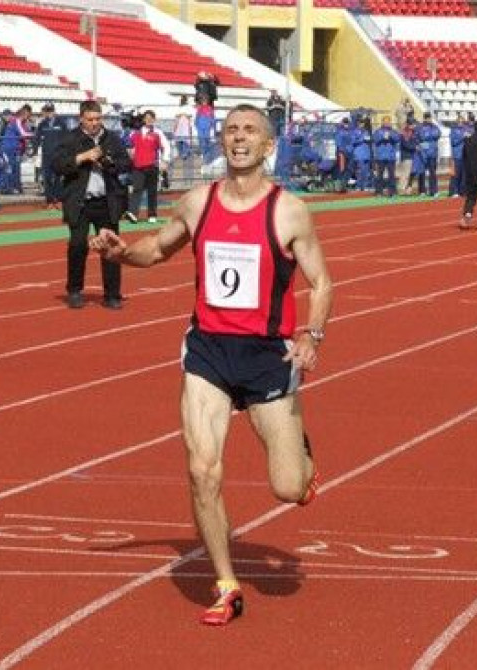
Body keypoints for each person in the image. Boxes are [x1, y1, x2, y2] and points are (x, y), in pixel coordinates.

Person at [89, 103, 333, 625]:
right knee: (202, 470)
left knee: (288, 488)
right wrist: (120, 253)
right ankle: (226, 584)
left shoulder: (288, 210)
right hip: (208, 352)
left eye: (250, 131)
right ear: (222, 143)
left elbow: (323, 281)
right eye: (231, 131)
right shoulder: (199, 202)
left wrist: (311, 334)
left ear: (269, 147)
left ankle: (303, 458)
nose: (238, 138)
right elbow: (157, 249)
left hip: (268, 355)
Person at [53, 99, 132, 309]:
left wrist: (109, 162)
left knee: (110, 248)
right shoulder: (70, 139)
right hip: (80, 202)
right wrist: (82, 157)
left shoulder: (111, 139)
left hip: (107, 202)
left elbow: (126, 164)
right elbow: (57, 165)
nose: (95, 123)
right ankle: (74, 290)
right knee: (78, 246)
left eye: (98, 119)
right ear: (81, 119)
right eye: (90, 119)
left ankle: (112, 294)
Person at [128, 110, 171, 224]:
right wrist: (130, 153)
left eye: (151, 118)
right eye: (146, 118)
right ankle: (133, 213)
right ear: (143, 119)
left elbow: (166, 146)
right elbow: (130, 146)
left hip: (152, 165)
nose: (149, 120)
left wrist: (165, 160)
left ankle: (152, 214)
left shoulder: (158, 133)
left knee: (152, 191)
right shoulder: (136, 132)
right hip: (138, 166)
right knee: (137, 189)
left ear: (154, 119)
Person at [34, 102, 67, 209]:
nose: (48, 113)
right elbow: (37, 139)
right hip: (46, 155)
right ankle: (49, 201)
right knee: (47, 178)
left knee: (58, 178)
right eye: (46, 111)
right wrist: (34, 152)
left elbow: (68, 139)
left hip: (59, 155)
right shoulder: (42, 124)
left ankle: (59, 200)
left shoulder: (62, 123)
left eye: (50, 111)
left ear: (54, 111)